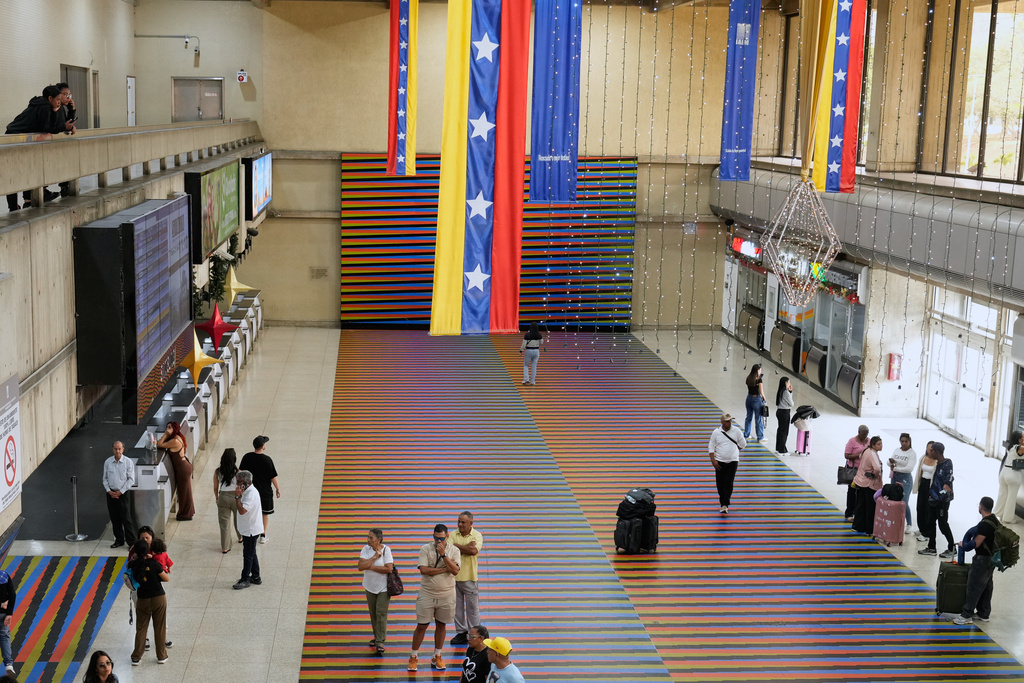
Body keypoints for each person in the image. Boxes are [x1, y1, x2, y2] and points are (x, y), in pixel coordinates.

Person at [4, 85, 71, 212]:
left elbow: (47, 126)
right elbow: (47, 128)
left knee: (13, 174)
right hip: (15, 140)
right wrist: (64, 127)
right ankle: (15, 206)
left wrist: (56, 113)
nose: (59, 102)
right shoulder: (44, 107)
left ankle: (15, 206)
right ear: (50, 98)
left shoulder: (40, 104)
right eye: (57, 100)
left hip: (13, 136)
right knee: (14, 174)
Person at [408, 523, 461, 672]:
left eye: (441, 538)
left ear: (447, 536)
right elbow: (423, 570)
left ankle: (437, 655)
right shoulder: (425, 549)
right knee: (422, 626)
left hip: (447, 594)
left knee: (441, 625)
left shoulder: (454, 550)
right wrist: (444, 569)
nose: (438, 541)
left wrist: (444, 555)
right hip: (427, 593)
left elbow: (455, 571)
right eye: (436, 538)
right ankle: (414, 656)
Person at [954, 497, 1000, 625]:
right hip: (991, 560)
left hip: (982, 561)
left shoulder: (985, 525)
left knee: (974, 586)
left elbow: (976, 544)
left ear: (980, 507)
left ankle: (966, 615)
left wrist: (963, 544)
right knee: (987, 586)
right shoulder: (994, 520)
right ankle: (983, 613)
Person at [128, 526, 172, 652]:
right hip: (140, 590)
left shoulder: (157, 549)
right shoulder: (134, 551)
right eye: (143, 538)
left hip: (153, 589)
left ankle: (162, 638)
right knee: (142, 619)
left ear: (152, 538)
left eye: (147, 537)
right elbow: (128, 566)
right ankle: (145, 640)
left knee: (160, 619)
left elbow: (166, 562)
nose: (145, 540)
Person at [357, 528, 394, 655]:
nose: (368, 540)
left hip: (383, 588)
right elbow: (361, 567)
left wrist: (370, 566)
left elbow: (388, 569)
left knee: (381, 613)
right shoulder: (365, 549)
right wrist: (373, 558)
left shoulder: (386, 550)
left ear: (378, 540)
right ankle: (377, 636)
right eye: (368, 537)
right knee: (373, 614)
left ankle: (380, 642)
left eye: (371, 538)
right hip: (369, 587)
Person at [450, 511, 484, 645]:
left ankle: (474, 635)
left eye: (463, 522)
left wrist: (456, 547)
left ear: (471, 523)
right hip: (453, 577)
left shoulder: (477, 535)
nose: (460, 524)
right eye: (458, 521)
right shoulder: (453, 534)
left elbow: (473, 551)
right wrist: (466, 547)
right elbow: (448, 551)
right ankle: (461, 633)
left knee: (472, 609)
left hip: (469, 578)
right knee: (456, 608)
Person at [239, 436, 280, 544]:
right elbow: (273, 476)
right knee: (264, 513)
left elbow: (240, 472)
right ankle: (262, 534)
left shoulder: (247, 457)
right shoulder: (267, 460)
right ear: (262, 446)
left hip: (249, 491)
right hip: (264, 492)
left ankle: (247, 533)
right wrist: (278, 489)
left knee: (249, 511)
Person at [918, 441, 956, 558]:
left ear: (937, 452)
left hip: (942, 502)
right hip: (933, 499)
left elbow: (948, 482)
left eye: (932, 450)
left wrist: (945, 490)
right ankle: (931, 547)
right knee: (930, 523)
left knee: (943, 524)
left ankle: (952, 548)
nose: (930, 452)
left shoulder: (947, 463)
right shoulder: (936, 464)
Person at [708, 413, 746, 514]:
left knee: (728, 483)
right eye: (727, 421)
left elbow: (743, 443)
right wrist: (713, 460)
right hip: (719, 461)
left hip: (733, 461)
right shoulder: (716, 432)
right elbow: (711, 446)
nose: (729, 423)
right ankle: (723, 501)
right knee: (720, 484)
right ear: (722, 422)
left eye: (730, 421)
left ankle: (725, 504)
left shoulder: (736, 431)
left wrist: (736, 451)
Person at [156, 422, 194, 521]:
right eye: (167, 427)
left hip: (183, 468)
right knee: (185, 491)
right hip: (183, 466)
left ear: (174, 429)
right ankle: (187, 513)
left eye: (169, 427)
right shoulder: (177, 437)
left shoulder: (175, 441)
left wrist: (165, 434)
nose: (167, 429)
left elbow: (159, 444)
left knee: (184, 492)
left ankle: (185, 514)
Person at [233, 470, 264, 589]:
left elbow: (242, 511)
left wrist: (237, 496)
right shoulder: (247, 491)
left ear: (246, 482)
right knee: (252, 552)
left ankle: (245, 579)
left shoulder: (251, 494)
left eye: (239, 482)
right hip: (248, 528)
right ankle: (256, 576)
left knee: (248, 555)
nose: (237, 484)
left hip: (251, 530)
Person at [102, 441, 136, 549]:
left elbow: (131, 480)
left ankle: (131, 542)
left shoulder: (128, 462)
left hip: (123, 494)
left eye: (119, 449)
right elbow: (105, 479)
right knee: (115, 518)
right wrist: (109, 491)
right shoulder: (108, 462)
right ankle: (119, 540)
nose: (118, 451)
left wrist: (120, 491)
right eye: (116, 449)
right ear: (113, 449)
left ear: (123, 449)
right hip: (111, 494)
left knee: (126, 518)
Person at [851, 436, 884, 534]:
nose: (881, 446)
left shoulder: (866, 451)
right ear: (873, 445)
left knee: (860, 505)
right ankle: (869, 529)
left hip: (860, 481)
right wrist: (876, 475)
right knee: (870, 507)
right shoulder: (873, 453)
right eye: (879, 444)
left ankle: (857, 526)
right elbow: (877, 468)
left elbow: (861, 457)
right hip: (869, 484)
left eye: (881, 444)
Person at [213, 448, 242, 553]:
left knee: (224, 523)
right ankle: (240, 537)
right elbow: (241, 487)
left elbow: (215, 487)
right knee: (237, 519)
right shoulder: (238, 472)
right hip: (235, 497)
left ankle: (225, 547)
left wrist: (217, 497)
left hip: (223, 497)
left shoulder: (218, 471)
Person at [888, 433, 917, 531]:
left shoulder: (911, 453)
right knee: (893, 499)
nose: (904, 443)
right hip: (895, 477)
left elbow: (909, 468)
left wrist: (896, 467)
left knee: (904, 501)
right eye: (902, 441)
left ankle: (909, 523)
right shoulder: (897, 450)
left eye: (906, 441)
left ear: (909, 442)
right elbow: (889, 462)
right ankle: (894, 520)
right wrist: (891, 462)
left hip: (905, 479)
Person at [994, 431, 1023, 524]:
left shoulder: (1010, 446)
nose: (1023, 439)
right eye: (1022, 438)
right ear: (1018, 439)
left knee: (1003, 495)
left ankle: (998, 513)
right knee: (1011, 498)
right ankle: (1007, 518)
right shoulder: (1020, 447)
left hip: (1004, 472)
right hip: (1013, 474)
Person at [843, 426, 870, 520]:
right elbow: (846, 455)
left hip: (864, 471)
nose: (865, 436)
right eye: (863, 434)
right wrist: (859, 455)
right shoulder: (852, 441)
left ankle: (857, 512)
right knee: (852, 491)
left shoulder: (869, 441)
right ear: (859, 432)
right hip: (853, 470)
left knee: (861, 492)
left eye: (867, 434)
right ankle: (849, 513)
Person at [913, 440, 937, 542]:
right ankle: (921, 528)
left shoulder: (937, 461)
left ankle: (926, 533)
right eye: (929, 447)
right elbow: (919, 471)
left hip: (931, 486)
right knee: (920, 507)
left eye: (932, 448)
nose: (930, 450)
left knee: (928, 509)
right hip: (922, 483)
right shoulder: (923, 457)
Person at [742, 364, 766, 442]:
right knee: (758, 418)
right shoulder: (759, 380)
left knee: (748, 417)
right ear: (758, 370)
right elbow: (761, 392)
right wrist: (764, 398)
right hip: (756, 399)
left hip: (748, 398)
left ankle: (746, 435)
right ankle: (760, 437)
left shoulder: (748, 378)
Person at [0, 569, 15, 675]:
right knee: (4, 637)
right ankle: (9, 664)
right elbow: (12, 595)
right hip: (3, 614)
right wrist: (9, 613)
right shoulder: (4, 575)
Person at [775, 377, 793, 455]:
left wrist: (790, 391)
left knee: (780, 430)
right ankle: (782, 450)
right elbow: (791, 403)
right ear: (785, 383)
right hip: (785, 412)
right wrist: (790, 393)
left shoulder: (780, 391)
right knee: (784, 431)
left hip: (779, 411)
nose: (789, 384)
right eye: (788, 382)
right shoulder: (785, 392)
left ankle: (778, 447)